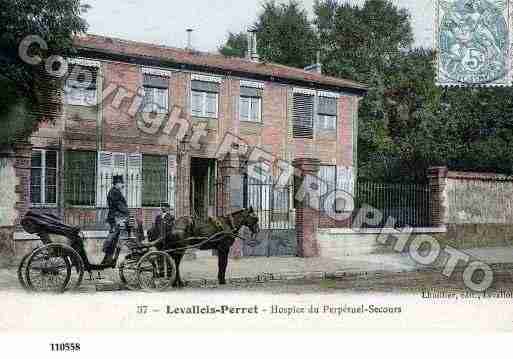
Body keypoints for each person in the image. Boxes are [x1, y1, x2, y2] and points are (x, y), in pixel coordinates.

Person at [101, 175, 129, 265]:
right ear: (117, 183)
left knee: (114, 239)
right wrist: (127, 212)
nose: (122, 185)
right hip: (117, 218)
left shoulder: (115, 191)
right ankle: (108, 259)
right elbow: (120, 206)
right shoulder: (115, 192)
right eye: (121, 183)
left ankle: (108, 260)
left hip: (116, 217)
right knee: (113, 239)